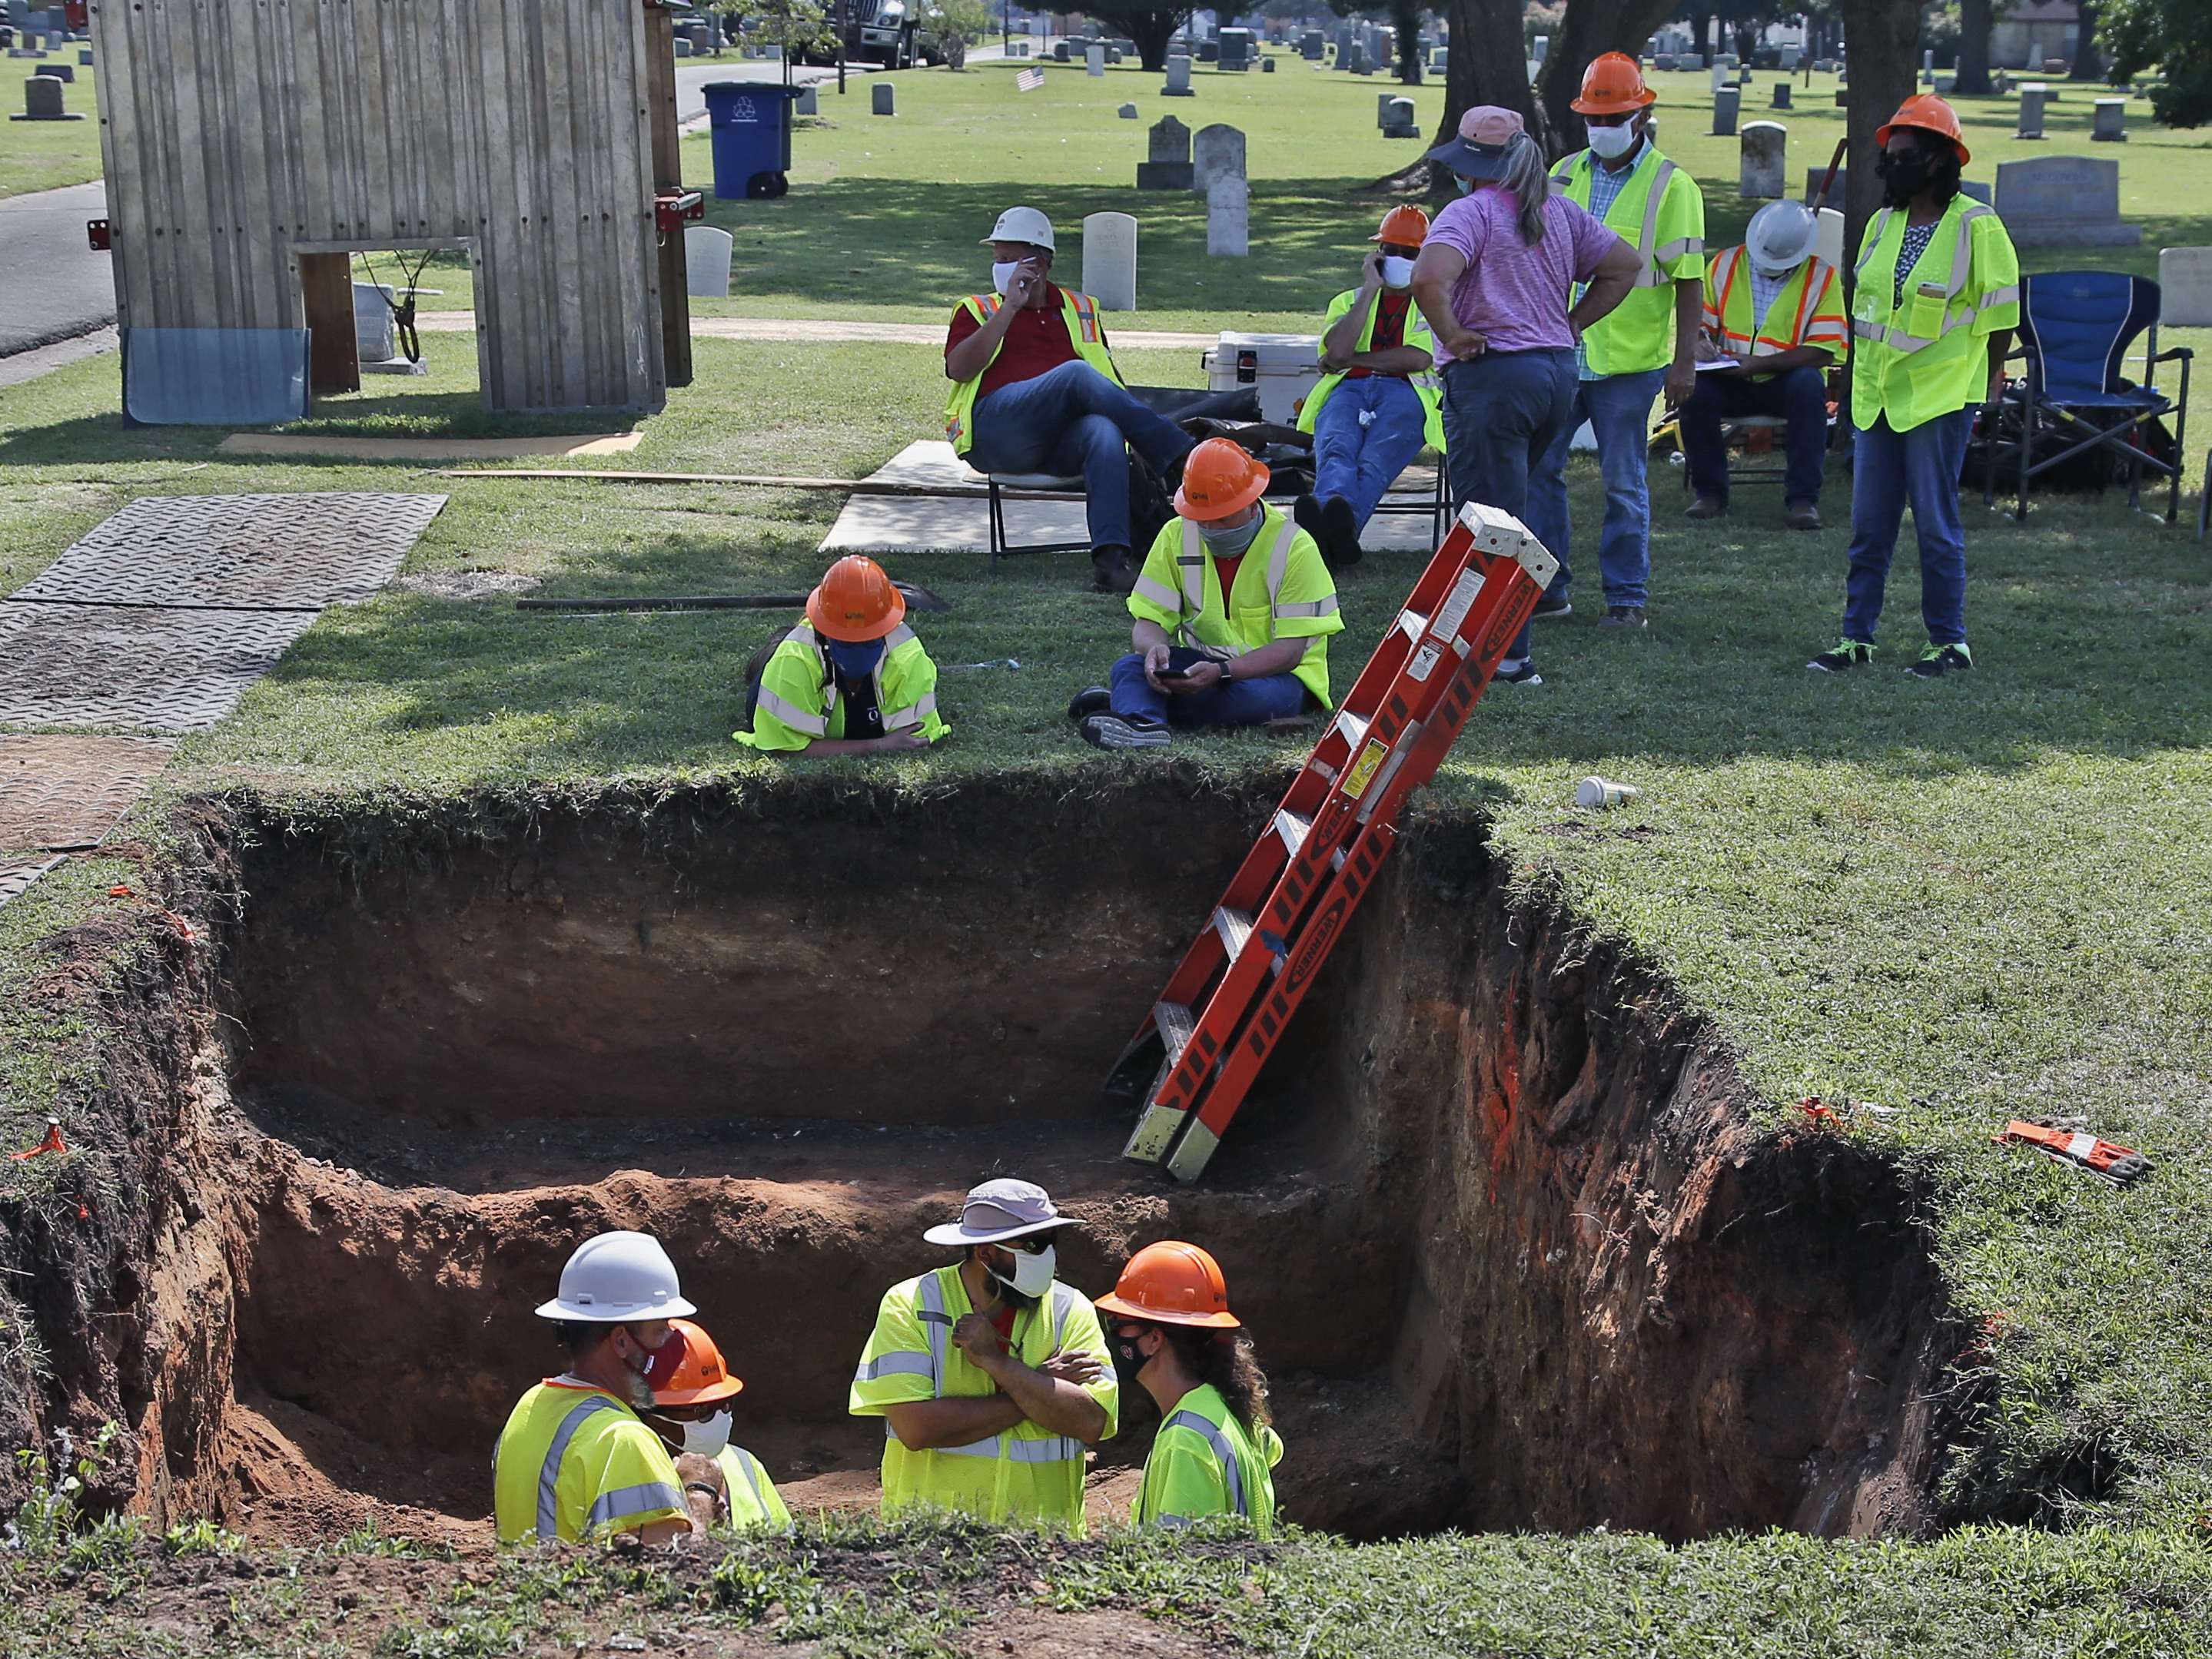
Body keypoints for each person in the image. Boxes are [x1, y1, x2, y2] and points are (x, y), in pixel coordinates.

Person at [1410, 107, 1641, 688]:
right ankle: (1493, 642)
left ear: (1474, 166)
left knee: (1491, 522)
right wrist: (1571, 324)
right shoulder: (1558, 211)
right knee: (1519, 512)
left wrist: (1454, 334)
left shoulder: (1471, 212)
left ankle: (1508, 657)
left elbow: (1427, 279)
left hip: (1495, 379)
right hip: (1555, 376)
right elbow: (1624, 266)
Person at [1810, 95, 2018, 679]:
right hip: (1876, 398)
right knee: (1868, 528)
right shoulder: (1882, 223)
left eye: (1906, 155)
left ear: (1940, 160)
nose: (1893, 164)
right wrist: (1849, 382)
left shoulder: (1978, 225)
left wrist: (1991, 381)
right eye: (1890, 156)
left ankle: (1949, 643)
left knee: (1935, 525)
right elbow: (1867, 314)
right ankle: (1856, 638)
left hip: (1940, 398)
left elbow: (2001, 316)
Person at [1524, 51, 1708, 632]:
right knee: (1539, 470)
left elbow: (1688, 281)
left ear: (1642, 115)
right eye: (1593, 119)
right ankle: (1549, 588)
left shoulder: (1672, 186)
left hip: (1630, 362)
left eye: (1613, 119)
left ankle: (1627, 598)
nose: (1601, 129)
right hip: (1561, 351)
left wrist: (1685, 363)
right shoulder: (1563, 174)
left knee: (1623, 480)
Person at [945, 206, 1196, 594]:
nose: (999, 268)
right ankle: (1183, 457)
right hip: (997, 432)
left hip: (1056, 442)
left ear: (1039, 264)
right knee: (1074, 373)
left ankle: (1111, 563)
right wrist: (1010, 308)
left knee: (1103, 428)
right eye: (997, 260)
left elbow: (1110, 384)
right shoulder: (979, 309)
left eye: (1008, 260)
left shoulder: (1081, 309)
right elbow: (959, 369)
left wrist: (1136, 443)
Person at [849, 1179, 1118, 1531]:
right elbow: (915, 1428)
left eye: (1051, 1241)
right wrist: (1038, 1389)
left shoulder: (1071, 1308)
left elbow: (1089, 1422)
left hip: (1047, 1546)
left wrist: (997, 1363)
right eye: (1034, 1244)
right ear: (986, 1253)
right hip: (934, 1545)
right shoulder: (911, 1304)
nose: (1047, 1255)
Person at [1068, 437, 1344, 751]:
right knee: (1129, 666)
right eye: (1202, 517)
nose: (1211, 527)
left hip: (1280, 677)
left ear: (1252, 504)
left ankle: (1131, 699)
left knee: (1262, 699)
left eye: (1223, 516)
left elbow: (1290, 652)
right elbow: (1148, 622)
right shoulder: (1175, 535)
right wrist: (1155, 650)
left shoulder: (1295, 547)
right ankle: (1142, 723)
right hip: (1202, 668)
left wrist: (1222, 672)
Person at [493, 1231, 721, 1545]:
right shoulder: (625, 1440)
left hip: (525, 1592)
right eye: (659, 1330)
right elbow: (671, 1573)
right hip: (583, 1595)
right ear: (622, 1341)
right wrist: (700, 1497)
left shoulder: (530, 1405)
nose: (672, 1343)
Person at [1292, 204, 1446, 569]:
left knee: (1373, 461)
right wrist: (1369, 290)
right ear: (1376, 255)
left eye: (1410, 254)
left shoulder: (1436, 303)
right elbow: (1339, 349)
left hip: (1409, 392)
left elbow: (1417, 359)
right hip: (1347, 390)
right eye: (1390, 250)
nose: (1398, 259)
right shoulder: (1348, 300)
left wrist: (1353, 360)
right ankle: (1337, 536)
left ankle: (1323, 538)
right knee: (1336, 451)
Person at [1679, 198, 1848, 529]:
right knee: (1694, 393)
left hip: (1783, 382)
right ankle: (1710, 493)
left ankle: (1803, 500)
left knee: (1810, 385)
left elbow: (1824, 351)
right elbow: (1700, 325)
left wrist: (1759, 364)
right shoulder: (1725, 264)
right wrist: (1701, 345)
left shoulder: (1822, 278)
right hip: (1729, 377)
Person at [1095, 1241, 1283, 1533]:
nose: (1111, 1336)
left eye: (1117, 1324)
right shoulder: (1225, 1406)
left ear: (1155, 1338)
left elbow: (1182, 1567)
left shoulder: (1187, 1439)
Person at [736, 556, 948, 756]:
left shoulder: (908, 655)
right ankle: (776, 641)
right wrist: (878, 745)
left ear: (886, 630)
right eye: (846, 639)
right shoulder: (793, 658)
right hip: (776, 665)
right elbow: (784, 747)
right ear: (825, 633)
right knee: (772, 655)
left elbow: (915, 738)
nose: (857, 647)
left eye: (867, 638)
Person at [637, 1318, 793, 1535]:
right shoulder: (635, 1476)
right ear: (654, 1417)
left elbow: (793, 1550)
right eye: (703, 1410)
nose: (720, 1416)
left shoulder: (745, 1463)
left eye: (725, 1404)